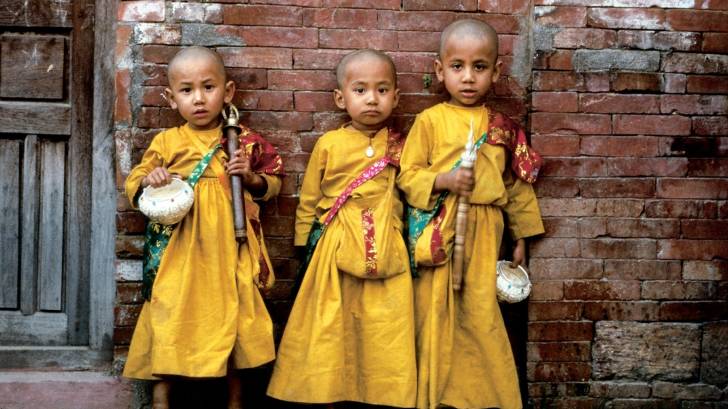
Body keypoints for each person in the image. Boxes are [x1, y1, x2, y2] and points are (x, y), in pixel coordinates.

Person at [122, 46, 285, 409]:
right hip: (181, 248)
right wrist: (154, 177)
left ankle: (235, 400)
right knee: (169, 312)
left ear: (227, 92)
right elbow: (135, 181)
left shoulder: (241, 139)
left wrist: (251, 177)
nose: (199, 99)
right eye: (186, 90)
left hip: (229, 244)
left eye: (208, 87)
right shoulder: (168, 141)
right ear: (170, 97)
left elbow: (274, 180)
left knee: (235, 313)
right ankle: (162, 397)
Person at [396, 19, 544, 409]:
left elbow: (516, 186)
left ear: (495, 72)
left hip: (485, 231)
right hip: (439, 228)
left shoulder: (501, 129)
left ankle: (486, 398)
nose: (467, 77)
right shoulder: (429, 121)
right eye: (457, 66)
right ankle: (434, 397)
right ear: (438, 70)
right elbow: (408, 176)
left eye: (479, 67)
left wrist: (522, 239)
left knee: (480, 314)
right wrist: (444, 179)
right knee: (433, 313)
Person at [266, 49, 416, 408]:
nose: (371, 99)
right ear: (340, 98)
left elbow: (412, 195)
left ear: (395, 98)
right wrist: (304, 243)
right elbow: (311, 198)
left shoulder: (402, 146)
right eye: (360, 90)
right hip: (333, 247)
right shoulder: (329, 144)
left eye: (382, 90)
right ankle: (327, 395)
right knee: (331, 329)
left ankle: (382, 396)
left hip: (388, 248)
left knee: (386, 328)